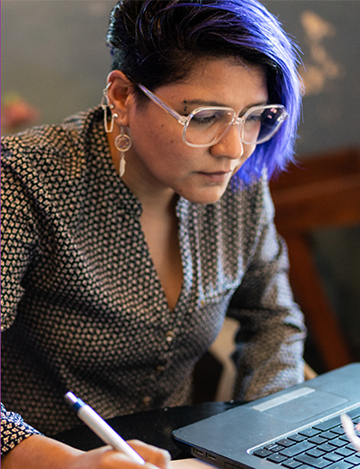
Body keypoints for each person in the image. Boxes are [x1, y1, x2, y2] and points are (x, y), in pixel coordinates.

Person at [1, 0, 307, 467]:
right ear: (124, 96)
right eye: (204, 117)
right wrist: (67, 463)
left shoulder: (239, 184)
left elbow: (273, 318)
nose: (233, 148)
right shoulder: (24, 181)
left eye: (254, 115)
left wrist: (268, 440)